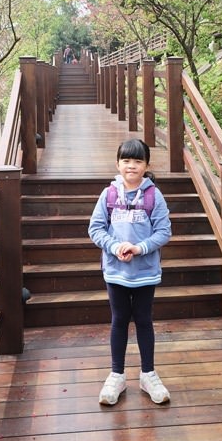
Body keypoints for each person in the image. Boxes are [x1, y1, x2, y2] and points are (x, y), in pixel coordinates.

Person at [88, 138, 172, 406]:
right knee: (119, 320)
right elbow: (95, 229)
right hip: (115, 271)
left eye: (137, 161)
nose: (131, 166)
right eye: (126, 160)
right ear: (118, 164)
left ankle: (148, 374)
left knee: (144, 320)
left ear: (147, 165)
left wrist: (140, 248)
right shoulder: (109, 195)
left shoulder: (153, 195)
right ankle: (117, 375)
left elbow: (164, 232)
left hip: (145, 271)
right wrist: (114, 247)